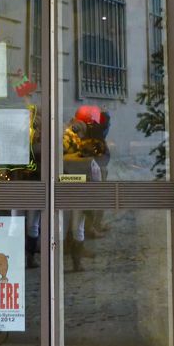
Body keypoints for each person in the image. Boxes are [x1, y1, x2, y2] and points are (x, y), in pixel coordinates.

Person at [61, 105, 111, 271]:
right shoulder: (75, 138)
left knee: (73, 226)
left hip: (70, 188)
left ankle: (76, 257)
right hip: (75, 188)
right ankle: (75, 258)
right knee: (75, 226)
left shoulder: (70, 134)